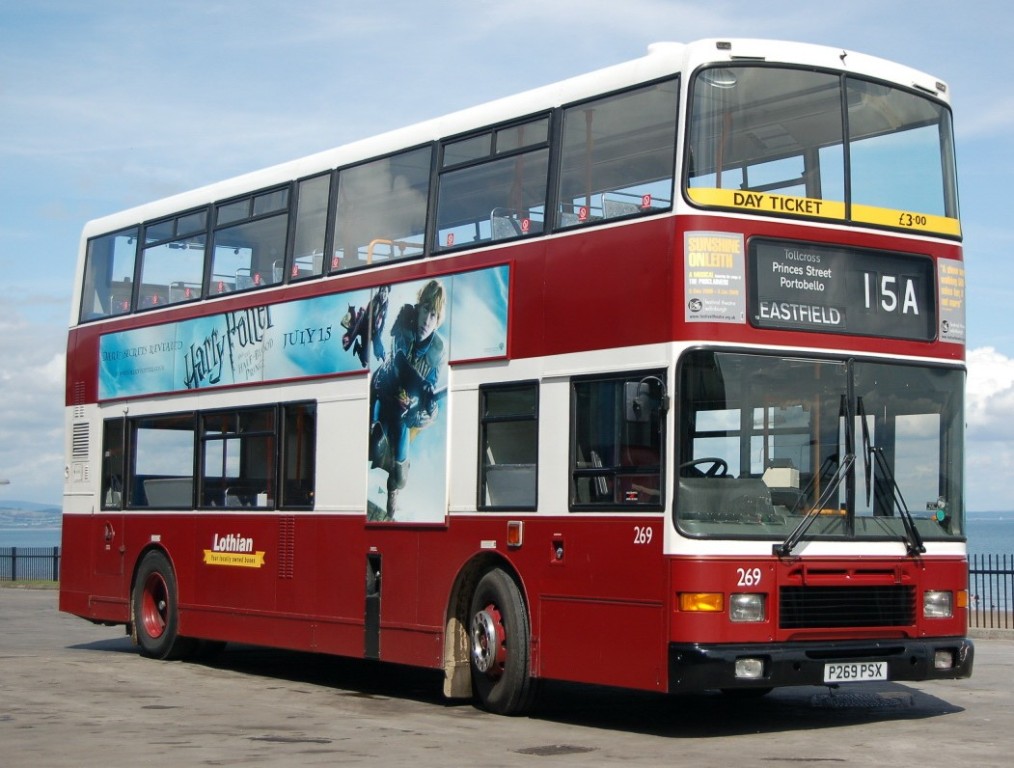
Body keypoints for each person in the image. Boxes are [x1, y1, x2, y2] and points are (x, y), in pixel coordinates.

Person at [369, 280, 447, 520]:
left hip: (404, 413)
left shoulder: (438, 348)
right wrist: (420, 385)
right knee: (372, 444)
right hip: (383, 391)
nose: (427, 320)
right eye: (425, 310)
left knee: (400, 476)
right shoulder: (406, 316)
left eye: (433, 315)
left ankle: (391, 503)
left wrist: (428, 408)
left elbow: (432, 392)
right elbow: (400, 360)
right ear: (419, 307)